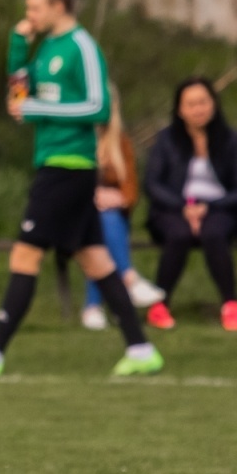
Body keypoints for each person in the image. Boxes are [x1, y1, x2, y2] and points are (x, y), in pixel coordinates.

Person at [0, 0, 163, 378]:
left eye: (35, 7)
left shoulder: (82, 46)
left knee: (26, 251)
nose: (31, 14)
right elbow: (20, 94)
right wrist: (17, 46)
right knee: (95, 259)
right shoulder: (44, 48)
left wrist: (38, 109)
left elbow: (98, 106)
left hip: (70, 167)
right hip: (52, 163)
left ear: (59, 5)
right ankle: (141, 346)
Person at [141, 77, 237, 332]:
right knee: (178, 234)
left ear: (213, 104)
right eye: (191, 104)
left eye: (203, 102)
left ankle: (230, 304)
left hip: (220, 207)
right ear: (180, 110)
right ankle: (160, 304)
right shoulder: (166, 140)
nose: (198, 109)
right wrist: (183, 206)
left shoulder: (230, 139)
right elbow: (152, 183)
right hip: (174, 208)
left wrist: (210, 206)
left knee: (213, 233)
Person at [79, 88, 165, 330]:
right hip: (75, 215)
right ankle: (128, 281)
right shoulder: (72, 141)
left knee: (105, 222)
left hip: (109, 218)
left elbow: (131, 191)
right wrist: (92, 195)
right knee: (101, 222)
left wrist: (117, 198)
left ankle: (93, 307)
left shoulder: (120, 142)